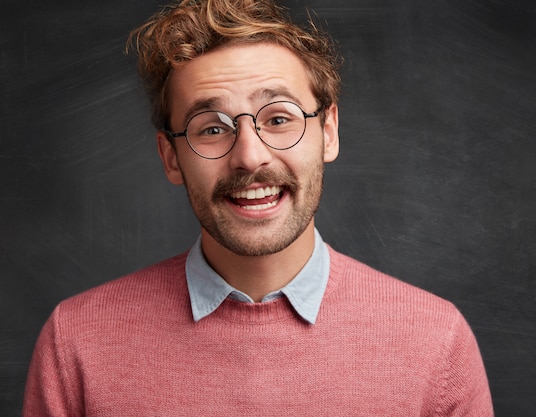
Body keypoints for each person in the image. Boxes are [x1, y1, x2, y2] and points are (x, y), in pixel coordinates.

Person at [22, 0, 494, 415]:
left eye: (279, 118)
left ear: (328, 131)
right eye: (211, 128)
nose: (249, 155)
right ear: (170, 156)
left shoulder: (435, 342)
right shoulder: (77, 342)